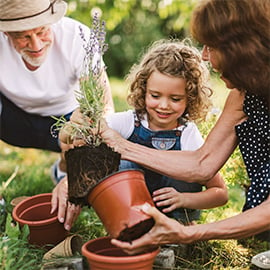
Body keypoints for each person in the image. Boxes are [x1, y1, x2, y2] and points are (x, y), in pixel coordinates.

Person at [95, 0, 269, 254]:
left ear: (242, 48)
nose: (204, 56)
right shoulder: (244, 95)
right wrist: (121, 147)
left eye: (211, 46)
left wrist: (188, 232)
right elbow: (201, 164)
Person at [60, 39, 228, 224]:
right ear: (143, 91)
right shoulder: (129, 122)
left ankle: (183, 225)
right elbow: (69, 137)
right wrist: (74, 125)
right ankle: (127, 224)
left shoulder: (188, 134)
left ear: (191, 98)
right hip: (131, 213)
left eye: (175, 98)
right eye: (155, 96)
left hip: (173, 215)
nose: (164, 106)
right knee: (120, 164)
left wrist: (185, 199)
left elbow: (220, 193)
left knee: (188, 166)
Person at [0, 0, 114, 184]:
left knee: (92, 140)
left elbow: (105, 107)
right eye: (23, 37)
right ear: (6, 33)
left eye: (42, 31)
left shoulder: (77, 37)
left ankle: (63, 167)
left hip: (67, 120)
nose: (36, 45)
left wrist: (82, 128)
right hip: (12, 121)